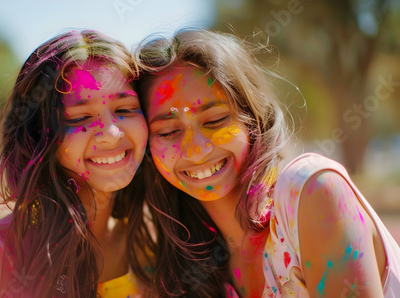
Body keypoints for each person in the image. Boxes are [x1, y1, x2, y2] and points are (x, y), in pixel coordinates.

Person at [134, 29, 400, 297]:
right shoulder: (180, 267)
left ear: (252, 118)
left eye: (215, 120)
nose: (195, 150)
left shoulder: (313, 190)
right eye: (168, 132)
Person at [0, 30, 152, 297]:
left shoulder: (151, 241)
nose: (111, 134)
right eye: (79, 118)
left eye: (124, 110)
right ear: (37, 135)